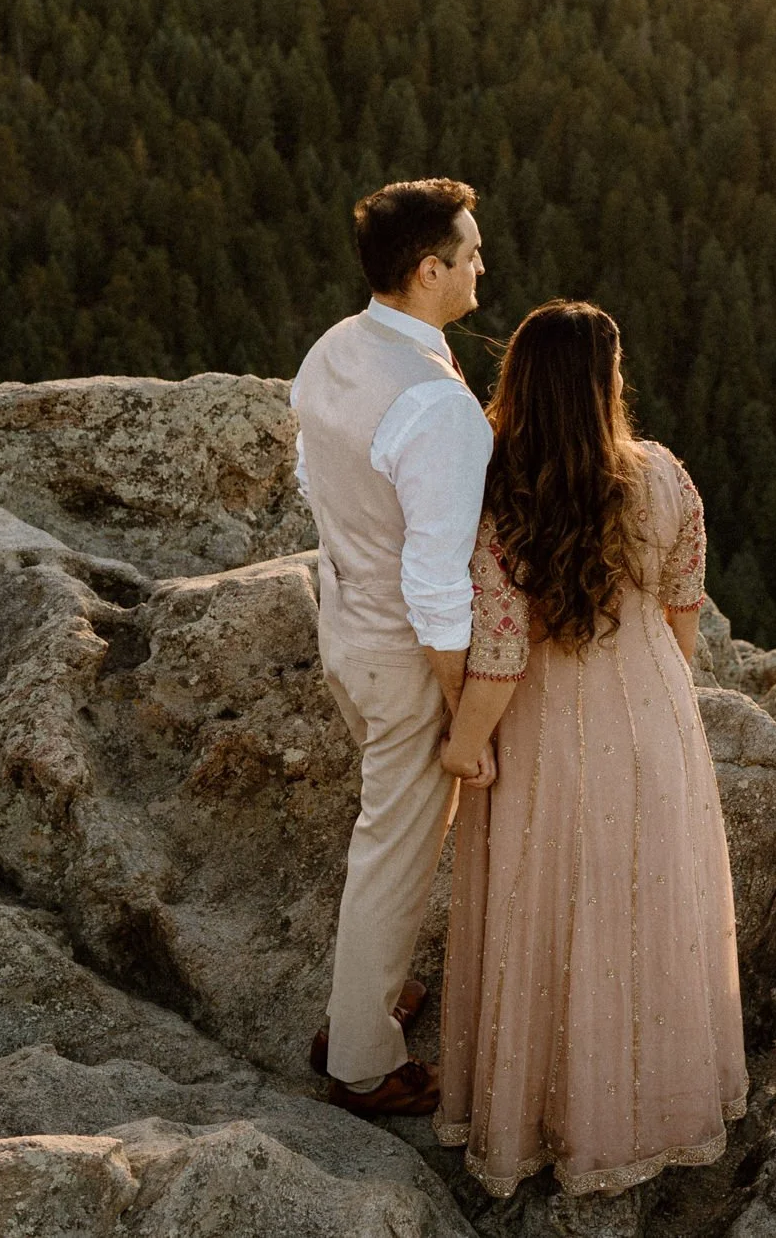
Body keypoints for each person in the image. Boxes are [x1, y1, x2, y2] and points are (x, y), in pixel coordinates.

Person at [434, 300, 747, 1199]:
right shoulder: (664, 479)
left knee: (547, 907)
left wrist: (463, 744)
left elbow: (496, 649)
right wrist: (649, 695)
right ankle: (651, 1104)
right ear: (608, 386)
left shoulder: (499, 492)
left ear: (519, 385)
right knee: (646, 905)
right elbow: (683, 618)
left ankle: (543, 1114)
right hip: (651, 706)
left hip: (542, 721)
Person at [292, 178, 491, 1118]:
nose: (482, 265)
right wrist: (464, 707)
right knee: (396, 846)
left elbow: (310, 472)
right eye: (470, 253)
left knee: (389, 834)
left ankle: (368, 991)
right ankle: (362, 1057)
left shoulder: (337, 346)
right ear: (428, 270)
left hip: (342, 623)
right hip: (404, 650)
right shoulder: (437, 407)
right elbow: (439, 586)